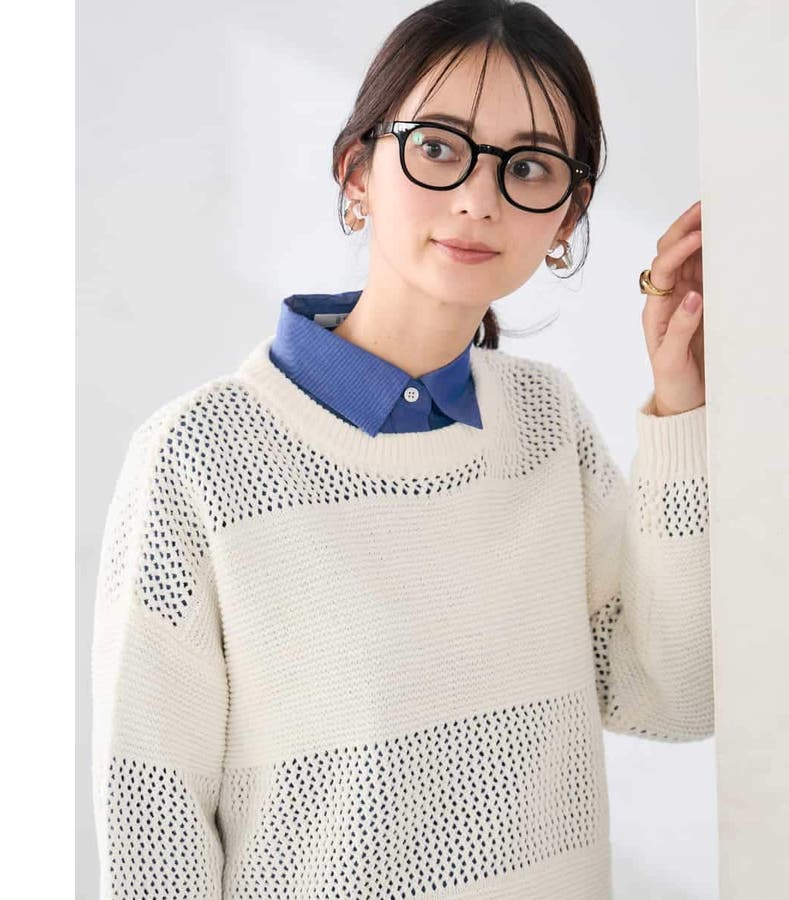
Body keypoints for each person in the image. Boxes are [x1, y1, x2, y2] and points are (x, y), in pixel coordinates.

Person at [90, 1, 711, 897]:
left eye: (528, 167)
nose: (478, 198)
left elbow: (674, 696)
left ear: (566, 218)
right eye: (438, 147)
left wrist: (681, 407)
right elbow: (154, 828)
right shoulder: (199, 457)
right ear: (357, 172)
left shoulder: (545, 423)